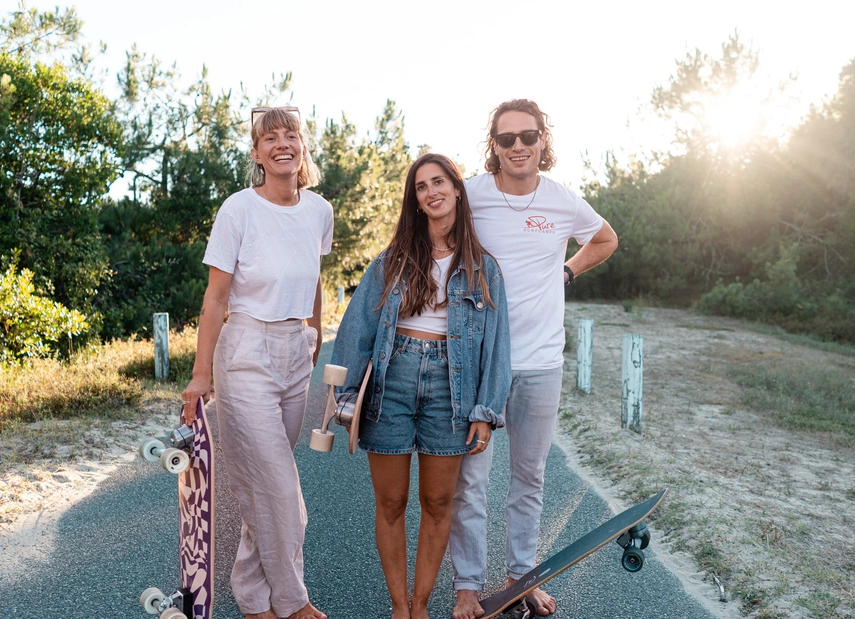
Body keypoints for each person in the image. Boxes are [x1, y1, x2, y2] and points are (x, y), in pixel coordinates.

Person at [450, 99, 619, 619]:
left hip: (542, 361)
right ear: (493, 145)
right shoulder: (471, 196)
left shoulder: (563, 201)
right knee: (471, 479)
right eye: (507, 139)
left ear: (543, 140)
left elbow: (605, 238)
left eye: (528, 136)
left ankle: (522, 577)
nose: (518, 146)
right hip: (480, 361)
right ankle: (467, 587)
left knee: (530, 476)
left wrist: (565, 272)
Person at [329, 153, 512, 619]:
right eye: (421, 187)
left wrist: (485, 413)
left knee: (438, 502)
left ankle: (422, 604)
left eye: (439, 182)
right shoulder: (391, 262)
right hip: (393, 379)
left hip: (453, 389)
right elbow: (357, 329)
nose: (430, 192)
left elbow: (497, 345)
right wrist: (345, 395)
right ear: (415, 200)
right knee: (391, 501)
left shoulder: (483, 268)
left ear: (456, 189)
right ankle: (398, 607)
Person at [181, 106, 329, 619]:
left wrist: (316, 333)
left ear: (303, 147)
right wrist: (201, 376)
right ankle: (292, 603)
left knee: (264, 483)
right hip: (245, 352)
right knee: (282, 488)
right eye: (271, 138)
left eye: (291, 135)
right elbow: (215, 300)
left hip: (296, 353)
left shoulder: (318, 211)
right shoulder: (238, 209)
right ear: (257, 153)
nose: (282, 144)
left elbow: (313, 279)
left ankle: (251, 598)